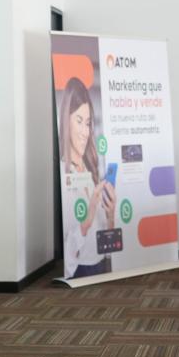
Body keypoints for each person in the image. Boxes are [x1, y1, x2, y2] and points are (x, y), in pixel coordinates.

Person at [58, 77, 116, 278]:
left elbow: (108, 247)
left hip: (102, 265)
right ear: (66, 121)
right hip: (80, 271)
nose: (85, 132)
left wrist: (110, 215)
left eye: (88, 123)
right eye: (79, 121)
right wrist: (87, 219)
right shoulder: (63, 174)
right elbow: (67, 258)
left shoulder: (92, 169)